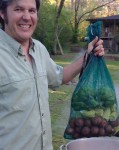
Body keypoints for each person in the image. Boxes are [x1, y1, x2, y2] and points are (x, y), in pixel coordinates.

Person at [0, 0, 104, 150]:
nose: (27, 17)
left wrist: (88, 56)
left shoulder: (39, 49)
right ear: (3, 13)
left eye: (32, 10)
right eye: (18, 9)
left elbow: (60, 76)